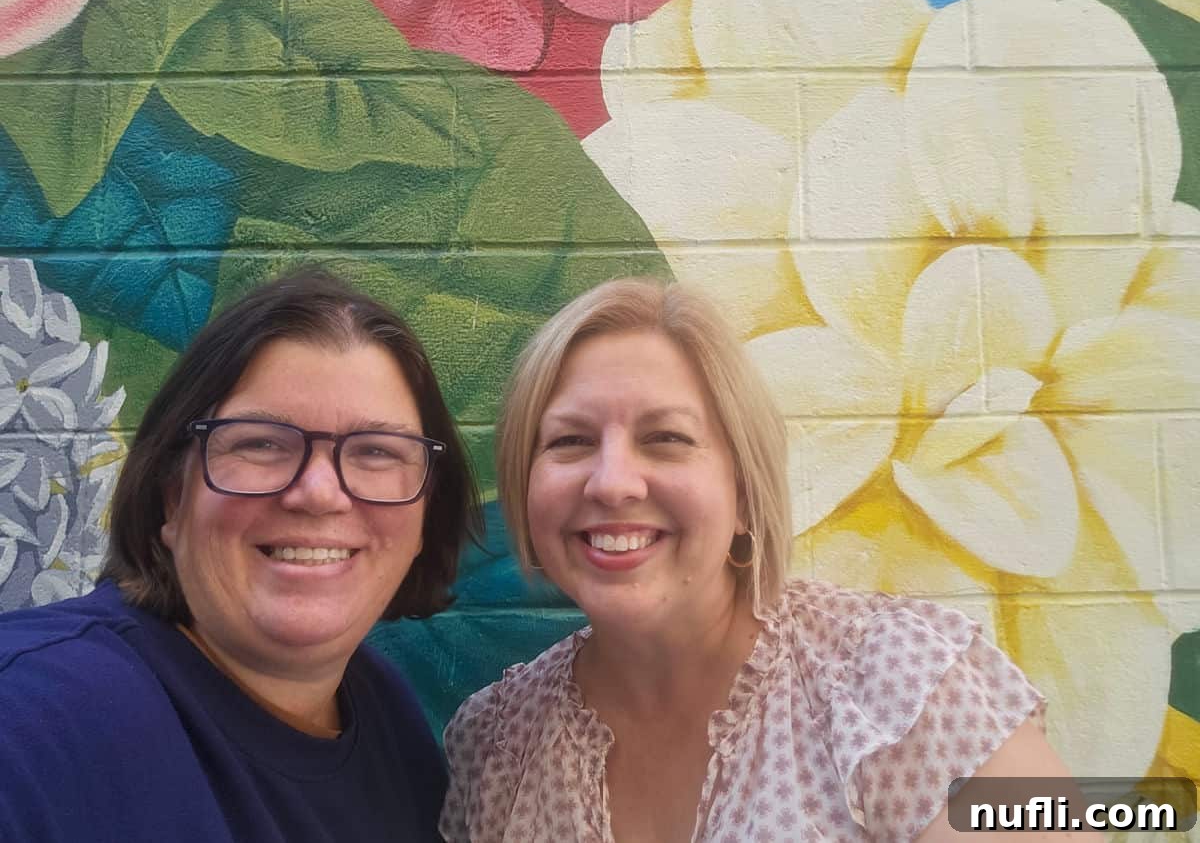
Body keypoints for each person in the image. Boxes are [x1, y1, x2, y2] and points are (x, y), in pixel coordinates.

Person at [439, 277, 1102, 843]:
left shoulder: (900, 687)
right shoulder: (497, 746)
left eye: (666, 438)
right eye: (571, 440)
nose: (612, 482)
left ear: (746, 494)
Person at [0, 268, 481, 843]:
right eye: (261, 443)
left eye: (376, 452)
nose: (319, 493)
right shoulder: (37, 719)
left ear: (426, 514)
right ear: (172, 498)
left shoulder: (385, 717)